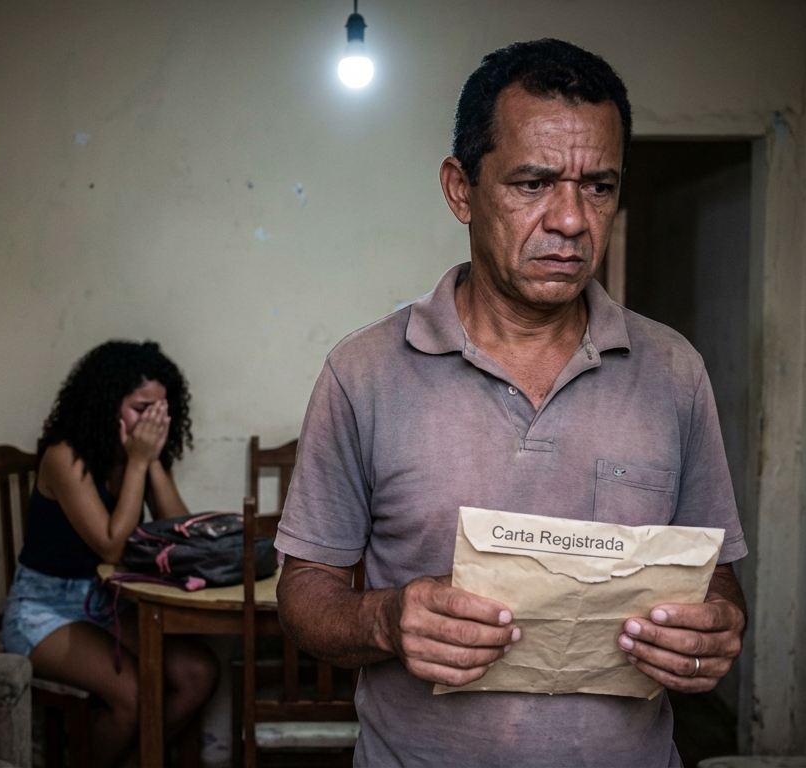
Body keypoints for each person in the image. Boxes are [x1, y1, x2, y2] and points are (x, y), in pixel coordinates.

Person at [273, 39, 749, 767]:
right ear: (461, 188)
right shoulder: (362, 373)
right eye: (533, 183)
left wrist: (715, 627)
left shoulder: (673, 370)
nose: (569, 219)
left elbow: (716, 576)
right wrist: (388, 619)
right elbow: (304, 592)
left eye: (598, 187)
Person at [1, 340, 218, 768]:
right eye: (141, 408)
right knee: (134, 698)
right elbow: (111, 545)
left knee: (199, 674)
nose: (151, 421)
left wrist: (151, 462)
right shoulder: (64, 457)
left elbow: (183, 535)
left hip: (105, 604)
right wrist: (139, 462)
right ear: (106, 405)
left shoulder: (136, 454)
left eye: (160, 409)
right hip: (44, 610)